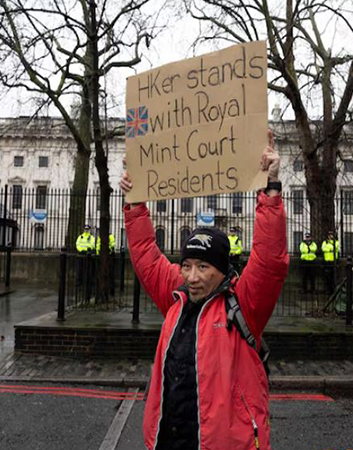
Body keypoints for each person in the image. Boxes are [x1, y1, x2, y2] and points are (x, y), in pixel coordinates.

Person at [119, 130, 288, 450]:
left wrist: (270, 189)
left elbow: (270, 261)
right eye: (187, 265)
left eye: (203, 267)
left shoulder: (244, 303)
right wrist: (135, 199)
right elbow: (144, 252)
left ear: (222, 270)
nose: (192, 276)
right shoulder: (176, 295)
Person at [321, 230, 340, 295]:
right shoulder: (324, 242)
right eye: (329, 235)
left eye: (331, 235)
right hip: (327, 261)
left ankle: (334, 290)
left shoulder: (336, 242)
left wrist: (328, 247)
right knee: (327, 277)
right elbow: (323, 249)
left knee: (334, 277)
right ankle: (328, 290)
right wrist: (330, 249)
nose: (330, 236)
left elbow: (336, 248)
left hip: (334, 262)